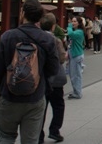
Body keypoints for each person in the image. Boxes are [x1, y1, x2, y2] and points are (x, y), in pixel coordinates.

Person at [0, 0, 60, 144]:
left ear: (22, 14)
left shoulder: (7, 36)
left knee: (5, 137)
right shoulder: (47, 39)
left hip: (9, 95)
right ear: (40, 17)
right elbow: (53, 69)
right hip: (35, 97)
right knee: (30, 140)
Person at [39, 13, 67, 143]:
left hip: (40, 78)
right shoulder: (56, 40)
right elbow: (61, 58)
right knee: (58, 105)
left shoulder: (36, 38)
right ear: (53, 26)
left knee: (41, 108)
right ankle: (54, 130)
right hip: (55, 78)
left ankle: (38, 134)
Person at [67, 16, 85, 99]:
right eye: (72, 21)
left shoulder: (79, 32)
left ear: (79, 23)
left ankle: (78, 93)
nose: (73, 23)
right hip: (73, 55)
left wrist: (69, 26)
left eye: (74, 21)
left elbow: (70, 34)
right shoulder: (76, 31)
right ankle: (76, 91)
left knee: (76, 75)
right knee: (72, 74)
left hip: (77, 55)